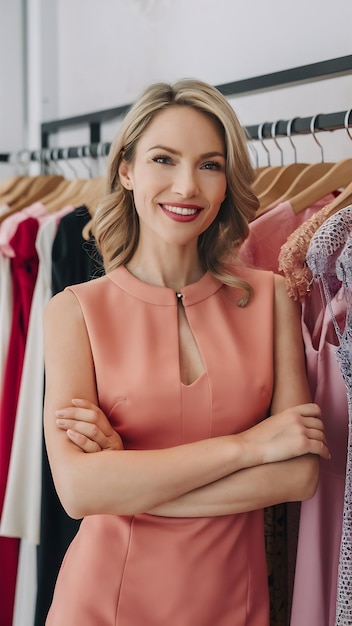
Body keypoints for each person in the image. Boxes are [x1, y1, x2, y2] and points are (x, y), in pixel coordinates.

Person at [43, 79, 330, 626]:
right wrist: (249, 446)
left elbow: (298, 475)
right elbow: (79, 492)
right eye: (163, 159)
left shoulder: (270, 297)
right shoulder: (72, 312)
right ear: (127, 170)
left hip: (235, 606)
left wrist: (126, 479)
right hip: (103, 603)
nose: (185, 186)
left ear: (226, 182)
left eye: (209, 165)